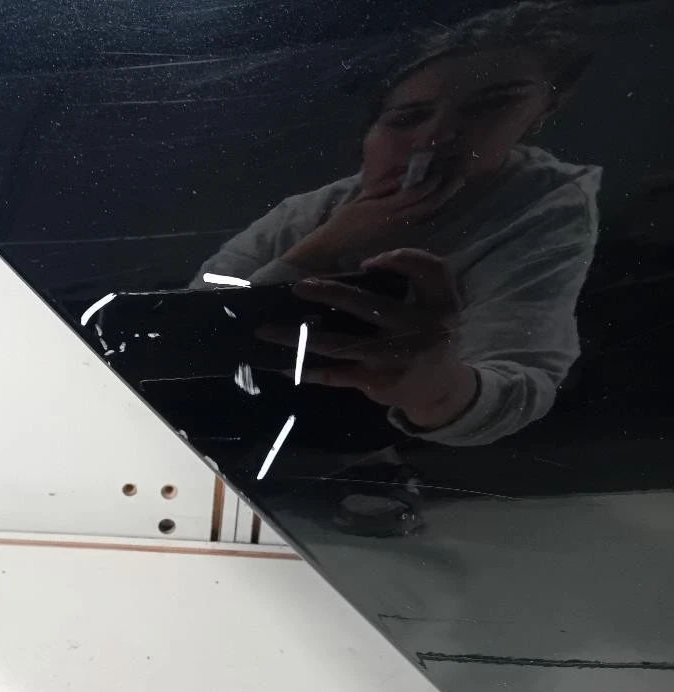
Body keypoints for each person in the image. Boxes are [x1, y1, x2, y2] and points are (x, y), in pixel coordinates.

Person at [190, 2, 601, 447]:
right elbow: (190, 331)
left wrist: (437, 391)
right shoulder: (307, 212)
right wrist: (323, 248)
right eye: (406, 118)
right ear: (367, 133)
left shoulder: (541, 207)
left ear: (544, 111)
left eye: (492, 105)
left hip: (374, 450)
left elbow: (520, 376)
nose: (436, 137)